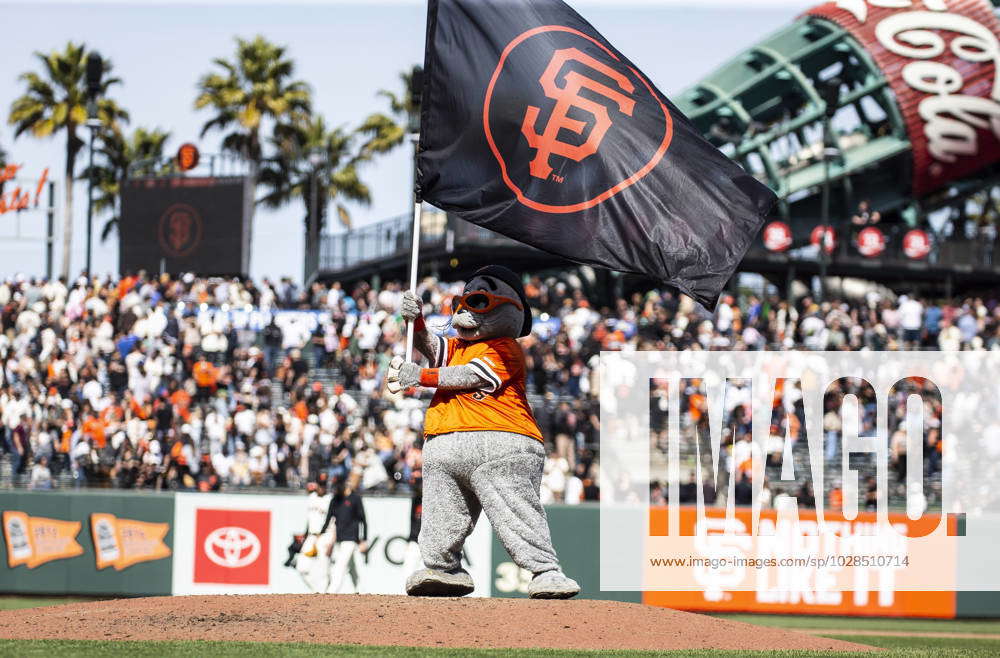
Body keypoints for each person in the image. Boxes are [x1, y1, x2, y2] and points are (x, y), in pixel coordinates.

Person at [389, 265, 580, 599]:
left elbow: (470, 375)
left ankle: (545, 570)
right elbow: (431, 346)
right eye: (461, 302)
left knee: (516, 512)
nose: (464, 310)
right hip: (445, 442)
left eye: (478, 300)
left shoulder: (506, 348)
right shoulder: (458, 346)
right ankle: (443, 569)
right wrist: (416, 320)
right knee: (442, 515)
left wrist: (420, 377)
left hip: (502, 441)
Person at [321, 477, 369, 594]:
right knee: (352, 567)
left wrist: (364, 539)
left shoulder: (355, 499)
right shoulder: (335, 500)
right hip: (339, 538)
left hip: (351, 538)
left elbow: (363, 519)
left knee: (340, 564)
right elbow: (328, 519)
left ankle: (332, 591)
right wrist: (321, 535)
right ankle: (360, 590)